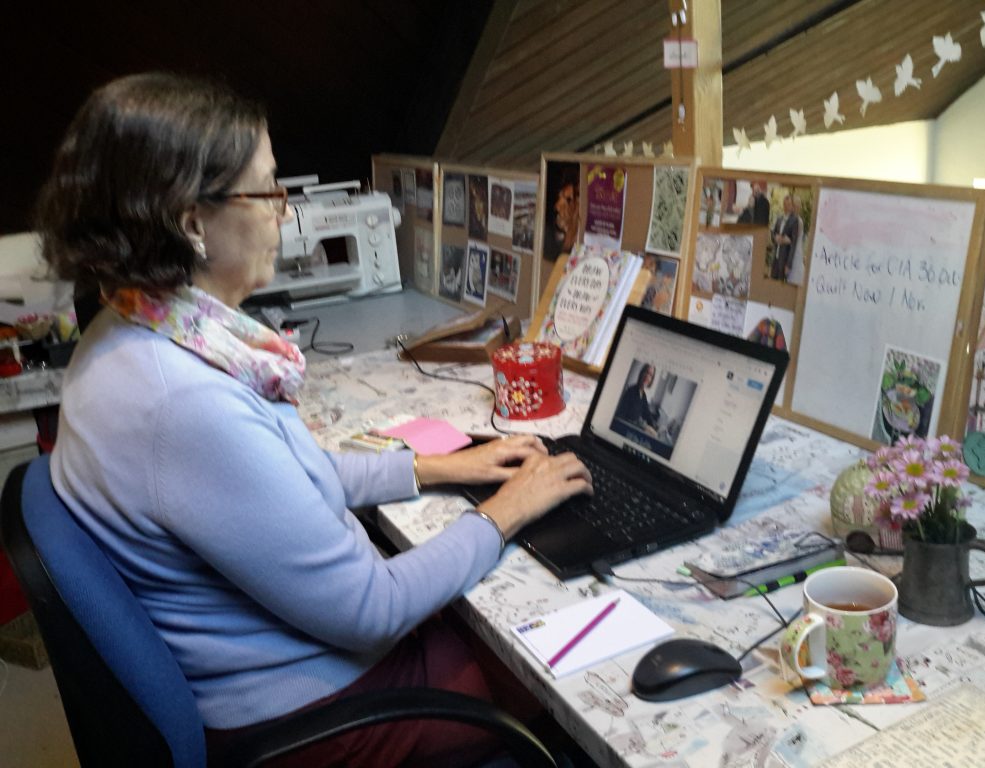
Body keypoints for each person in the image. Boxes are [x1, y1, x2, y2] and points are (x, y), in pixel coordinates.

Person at [36, 72, 592, 768]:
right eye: (267, 191)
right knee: (560, 672)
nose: (286, 213)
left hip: (268, 663)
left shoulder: (132, 326)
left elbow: (278, 478)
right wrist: (507, 511)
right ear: (190, 222)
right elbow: (373, 608)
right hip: (312, 708)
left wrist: (436, 468)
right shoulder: (184, 402)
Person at [614, 363, 659, 434]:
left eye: (650, 375)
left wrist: (655, 426)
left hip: (635, 427)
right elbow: (620, 416)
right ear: (641, 373)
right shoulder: (631, 391)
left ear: (651, 380)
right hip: (627, 429)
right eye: (646, 372)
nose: (647, 376)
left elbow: (647, 414)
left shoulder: (643, 395)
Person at [770, 195, 800, 280]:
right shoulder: (779, 218)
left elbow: (794, 244)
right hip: (775, 257)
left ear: (792, 206)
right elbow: (773, 233)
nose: (786, 206)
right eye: (785, 204)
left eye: (789, 204)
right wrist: (775, 238)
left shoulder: (795, 220)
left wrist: (789, 264)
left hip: (784, 259)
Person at [786, 193, 806, 285]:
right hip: (792, 251)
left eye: (792, 205)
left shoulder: (798, 221)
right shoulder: (792, 219)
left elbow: (793, 240)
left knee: (794, 277)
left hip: (795, 253)